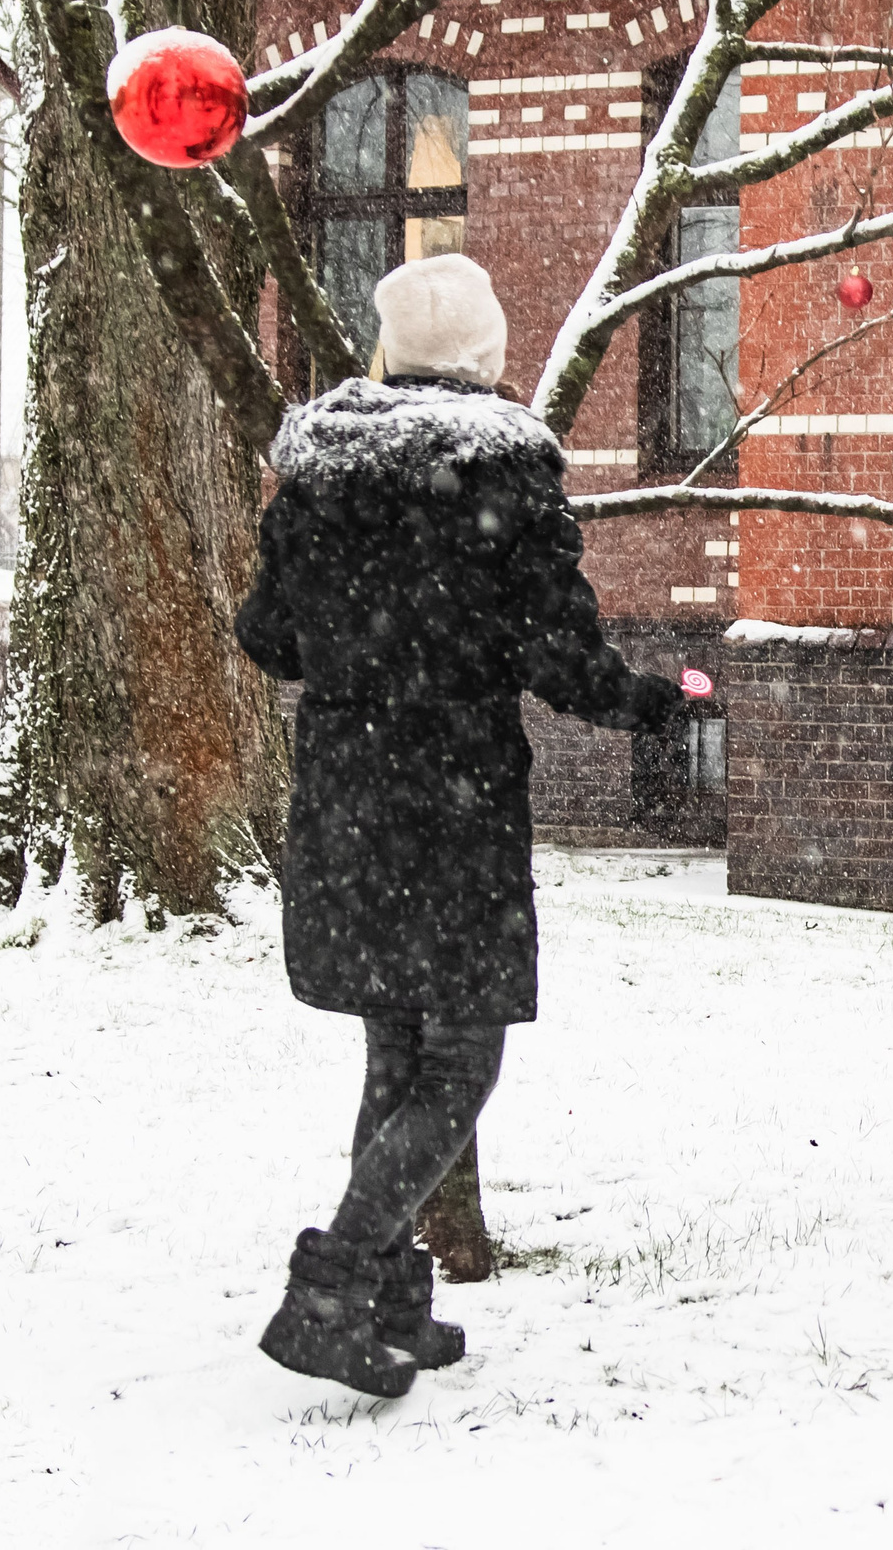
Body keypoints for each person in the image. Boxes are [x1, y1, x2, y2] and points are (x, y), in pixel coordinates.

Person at [235, 254, 703, 1395]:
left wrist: (361, 652)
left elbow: (267, 636)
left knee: (396, 1046)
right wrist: (654, 703)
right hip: (453, 789)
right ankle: (333, 1282)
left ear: (389, 350)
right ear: (488, 358)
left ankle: (393, 1308)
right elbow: (559, 656)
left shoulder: (318, 475)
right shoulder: (503, 473)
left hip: (347, 782)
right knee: (460, 1056)